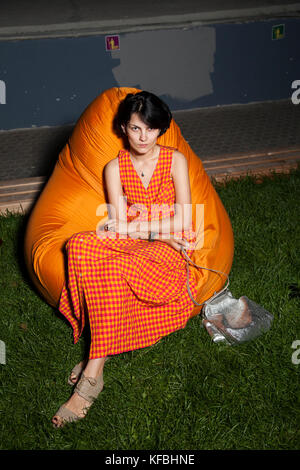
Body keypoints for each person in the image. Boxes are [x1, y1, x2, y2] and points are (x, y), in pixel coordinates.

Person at [52, 91, 198, 428]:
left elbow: (184, 221)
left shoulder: (175, 160)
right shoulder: (114, 168)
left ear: (161, 129)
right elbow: (118, 223)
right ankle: (97, 361)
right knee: (78, 245)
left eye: (150, 129)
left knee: (114, 265)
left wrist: (143, 229)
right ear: (123, 128)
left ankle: (92, 374)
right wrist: (155, 231)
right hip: (151, 239)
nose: (143, 137)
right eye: (135, 129)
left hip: (169, 252)